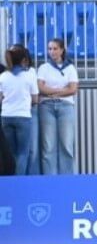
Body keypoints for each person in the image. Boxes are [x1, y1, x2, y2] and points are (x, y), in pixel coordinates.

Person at [36, 37, 79, 175]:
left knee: (66, 144)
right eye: (50, 49)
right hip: (46, 107)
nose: (52, 52)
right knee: (48, 145)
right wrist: (61, 91)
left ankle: (66, 179)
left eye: (55, 49)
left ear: (61, 50)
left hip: (66, 107)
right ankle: (50, 179)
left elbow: (73, 89)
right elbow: (40, 88)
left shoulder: (70, 68)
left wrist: (51, 92)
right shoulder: (43, 68)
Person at [1, 44, 38, 179]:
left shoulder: (3, 76)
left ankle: (10, 180)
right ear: (23, 59)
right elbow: (35, 99)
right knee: (23, 152)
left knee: (10, 151)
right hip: (23, 116)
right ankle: (19, 180)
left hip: (6, 116)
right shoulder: (29, 76)